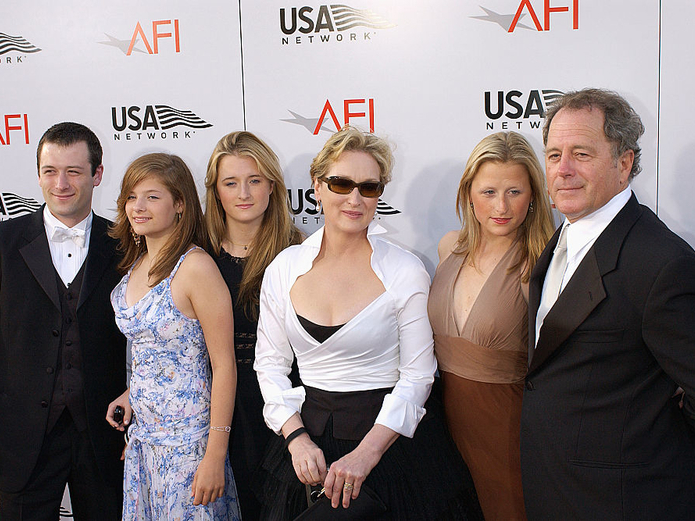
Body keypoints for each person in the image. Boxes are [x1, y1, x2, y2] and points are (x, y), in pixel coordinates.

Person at [253, 126, 482, 520]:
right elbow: (270, 366)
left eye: (369, 187)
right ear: (317, 186)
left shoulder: (405, 270)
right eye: (341, 184)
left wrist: (367, 454)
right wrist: (296, 440)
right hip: (308, 449)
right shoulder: (283, 268)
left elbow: (417, 377)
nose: (355, 199)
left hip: (391, 447)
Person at [522, 88, 695, 520]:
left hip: (627, 501)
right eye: (553, 155)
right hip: (556, 490)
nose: (563, 170)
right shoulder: (564, 237)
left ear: (624, 163)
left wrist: (658, 437)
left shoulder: (662, 263)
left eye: (582, 154)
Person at [0, 122, 127, 519]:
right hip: (20, 435)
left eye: (74, 171)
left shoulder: (127, 245)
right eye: (50, 171)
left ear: (97, 174)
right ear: (38, 174)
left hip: (104, 433)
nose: (61, 183)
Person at [105, 153, 241, 520]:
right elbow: (157, 352)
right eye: (131, 197)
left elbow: (224, 366)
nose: (139, 206)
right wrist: (132, 393)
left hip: (190, 446)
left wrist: (215, 453)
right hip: (143, 442)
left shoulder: (195, 266)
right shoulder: (135, 265)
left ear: (180, 204)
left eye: (152, 196)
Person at [428, 131, 554, 521]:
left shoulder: (541, 262)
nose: (501, 207)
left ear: (534, 194)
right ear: (468, 193)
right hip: (438, 426)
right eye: (488, 192)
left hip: (506, 430)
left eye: (514, 192)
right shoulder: (450, 247)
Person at [204, 131, 303, 519]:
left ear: (272, 186)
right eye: (231, 183)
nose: (243, 193)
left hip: (283, 405)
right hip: (214, 409)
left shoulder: (298, 251)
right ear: (217, 192)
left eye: (254, 180)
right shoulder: (198, 254)